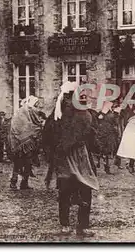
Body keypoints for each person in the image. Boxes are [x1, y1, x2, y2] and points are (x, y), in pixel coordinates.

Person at [44, 81, 99, 236]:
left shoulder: (57, 116)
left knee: (67, 191)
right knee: (82, 189)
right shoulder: (81, 115)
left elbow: (47, 137)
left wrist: (54, 152)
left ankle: (67, 225)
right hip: (77, 158)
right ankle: (81, 226)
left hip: (68, 158)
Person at [8, 96, 44, 190]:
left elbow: (35, 123)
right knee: (19, 162)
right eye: (35, 105)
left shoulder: (25, 112)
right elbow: (21, 127)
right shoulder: (24, 112)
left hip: (27, 143)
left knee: (28, 163)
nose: (36, 108)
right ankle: (14, 182)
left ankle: (24, 183)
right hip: (20, 143)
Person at [94, 101, 119, 174]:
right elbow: (116, 123)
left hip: (102, 132)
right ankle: (106, 168)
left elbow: (98, 119)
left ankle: (97, 165)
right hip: (108, 133)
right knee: (107, 151)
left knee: (100, 150)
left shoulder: (101, 113)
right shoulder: (113, 114)